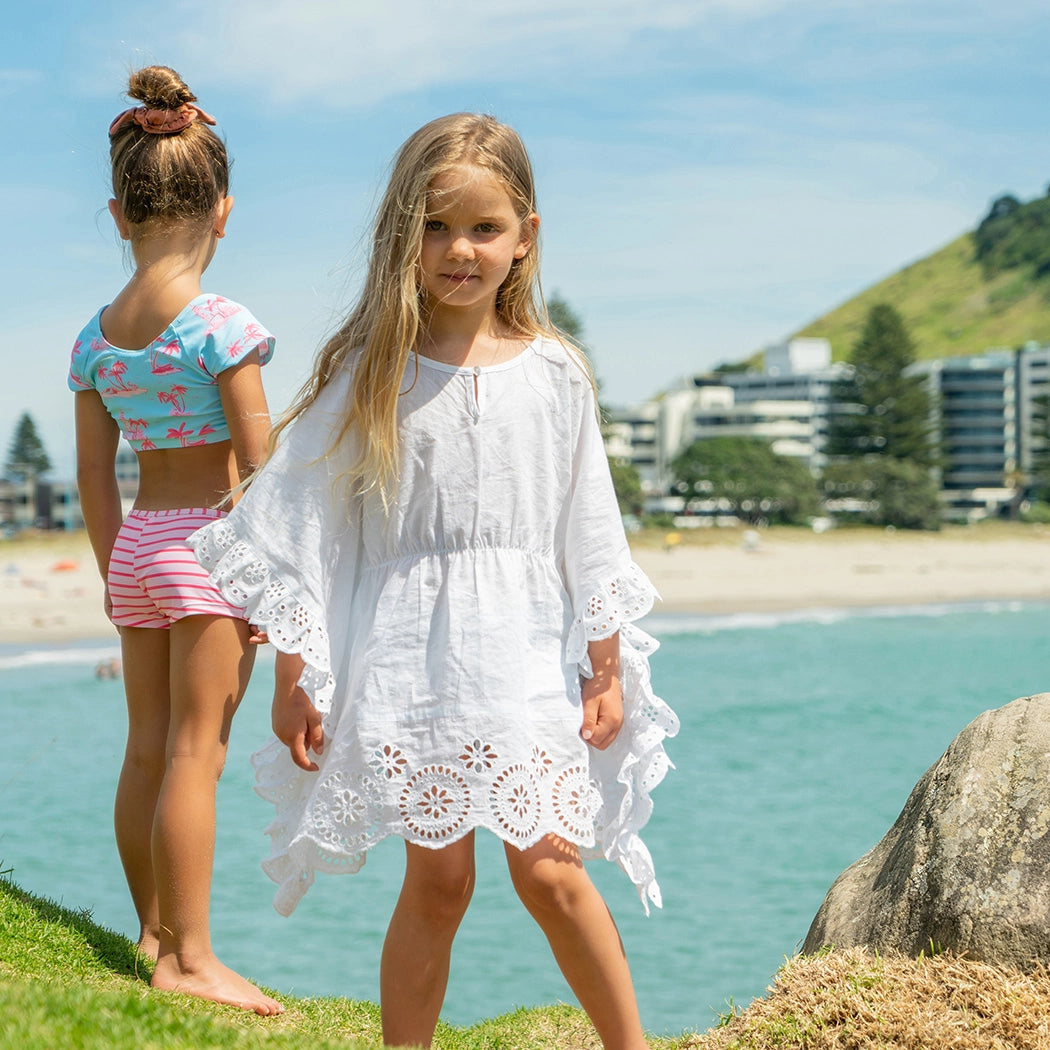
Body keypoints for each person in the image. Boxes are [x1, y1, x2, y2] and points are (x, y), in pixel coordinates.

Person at [190, 113, 678, 1047]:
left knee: (551, 870)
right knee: (440, 881)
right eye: (435, 226)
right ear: (401, 235)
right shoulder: (370, 372)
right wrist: (296, 680)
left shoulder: (557, 373)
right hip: (414, 662)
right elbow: (306, 529)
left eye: (484, 228)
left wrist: (607, 667)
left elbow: (590, 530)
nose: (460, 249)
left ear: (525, 237)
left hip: (530, 656)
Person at [69, 65, 282, 1016]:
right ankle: (190, 958)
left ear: (119, 212)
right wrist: (275, 581)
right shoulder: (222, 326)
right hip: (208, 546)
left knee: (147, 750)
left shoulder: (94, 338)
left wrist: (119, 570)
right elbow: (260, 463)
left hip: (138, 545)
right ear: (222, 211)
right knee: (200, 754)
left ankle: (152, 930)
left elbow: (89, 476)